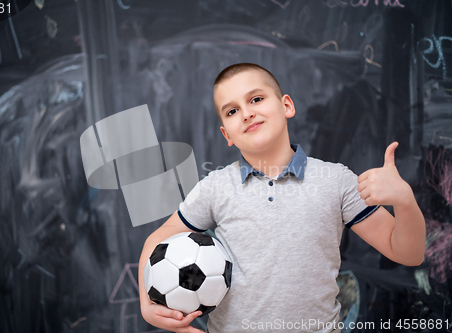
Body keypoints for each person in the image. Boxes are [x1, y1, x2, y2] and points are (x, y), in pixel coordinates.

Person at [138, 63, 426, 333]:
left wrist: (404, 202)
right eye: (232, 111)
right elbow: (158, 238)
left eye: (256, 99)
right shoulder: (215, 187)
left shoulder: (336, 180)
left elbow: (407, 253)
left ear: (286, 105)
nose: (247, 113)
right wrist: (147, 304)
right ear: (227, 134)